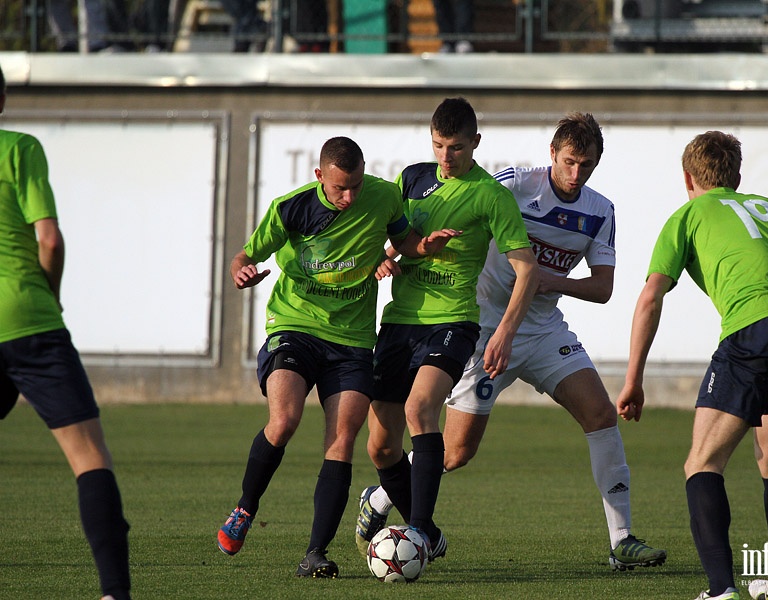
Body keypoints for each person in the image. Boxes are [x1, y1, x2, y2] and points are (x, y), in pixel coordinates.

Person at [355, 112, 667, 572]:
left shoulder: (601, 211)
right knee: (457, 452)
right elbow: (452, 209)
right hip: (481, 329)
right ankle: (381, 493)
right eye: (569, 161)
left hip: (542, 331)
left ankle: (621, 540)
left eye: (586, 165)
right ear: (552, 155)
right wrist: (393, 254)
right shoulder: (513, 184)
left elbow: (602, 288)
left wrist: (551, 280)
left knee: (601, 415)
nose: (576, 173)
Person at [615, 131, 768, 600]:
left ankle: (720, 589)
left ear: (688, 178)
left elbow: (650, 297)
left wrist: (633, 379)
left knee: (702, 462)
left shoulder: (687, 214)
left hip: (755, 329)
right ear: (738, 177)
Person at [215, 136, 458, 578]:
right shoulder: (291, 207)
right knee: (284, 421)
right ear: (319, 177)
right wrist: (241, 272)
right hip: (295, 326)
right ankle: (245, 508)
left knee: (342, 441)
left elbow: (405, 241)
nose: (349, 196)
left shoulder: (384, 196)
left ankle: (315, 552)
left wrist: (427, 246)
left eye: (356, 185)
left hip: (352, 342)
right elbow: (242, 256)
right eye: (340, 188)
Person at [362, 97, 538, 563]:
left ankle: (416, 531)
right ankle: (429, 535)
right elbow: (392, 242)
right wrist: (383, 256)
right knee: (380, 446)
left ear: (475, 143)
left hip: (454, 320)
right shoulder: (412, 178)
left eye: (456, 147)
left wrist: (504, 332)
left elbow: (528, 270)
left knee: (421, 408)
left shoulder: (491, 196)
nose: (446, 156)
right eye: (439, 145)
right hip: (400, 321)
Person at [0, 66, 132, 600]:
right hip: (28, 320)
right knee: (88, 457)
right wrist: (49, 296)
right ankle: (114, 592)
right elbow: (48, 240)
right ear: (3, 97)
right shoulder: (19, 148)